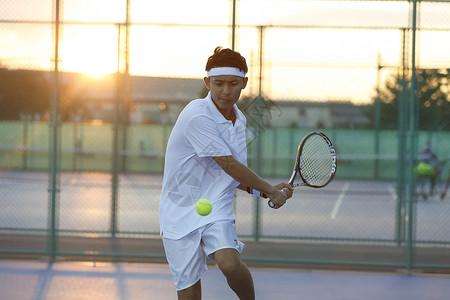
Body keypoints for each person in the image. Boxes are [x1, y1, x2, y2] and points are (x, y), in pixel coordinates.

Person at [159, 46, 293, 300]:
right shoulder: (196, 114)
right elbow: (230, 165)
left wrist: (265, 191)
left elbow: (231, 175)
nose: (226, 91)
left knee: (230, 264)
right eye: (218, 83)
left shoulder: (238, 120)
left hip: (215, 205)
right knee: (189, 293)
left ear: (244, 82)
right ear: (207, 82)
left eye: (233, 83)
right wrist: (271, 190)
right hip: (178, 208)